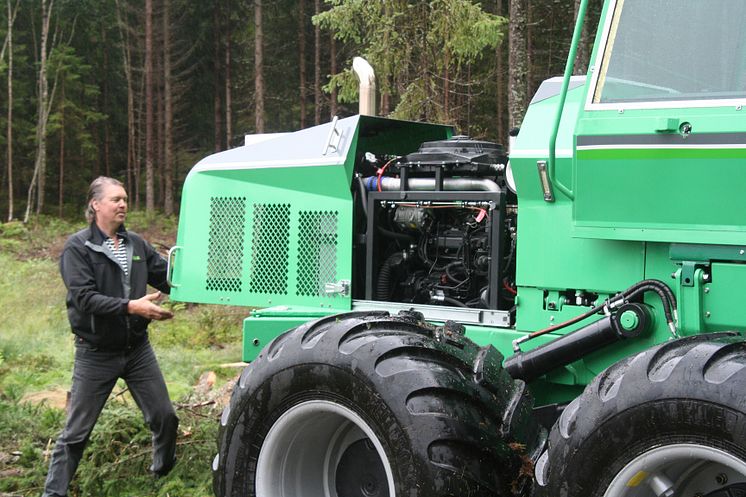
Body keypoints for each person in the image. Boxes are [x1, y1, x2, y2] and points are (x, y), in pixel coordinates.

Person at [43, 176, 178, 497]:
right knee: (76, 434)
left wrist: (205, 281)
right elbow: (84, 298)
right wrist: (133, 306)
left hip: (136, 350)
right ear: (96, 204)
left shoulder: (136, 244)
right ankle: (53, 494)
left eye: (125, 199)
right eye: (116, 199)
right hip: (96, 353)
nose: (123, 204)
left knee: (165, 418)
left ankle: (161, 477)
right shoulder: (78, 248)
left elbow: (168, 278)